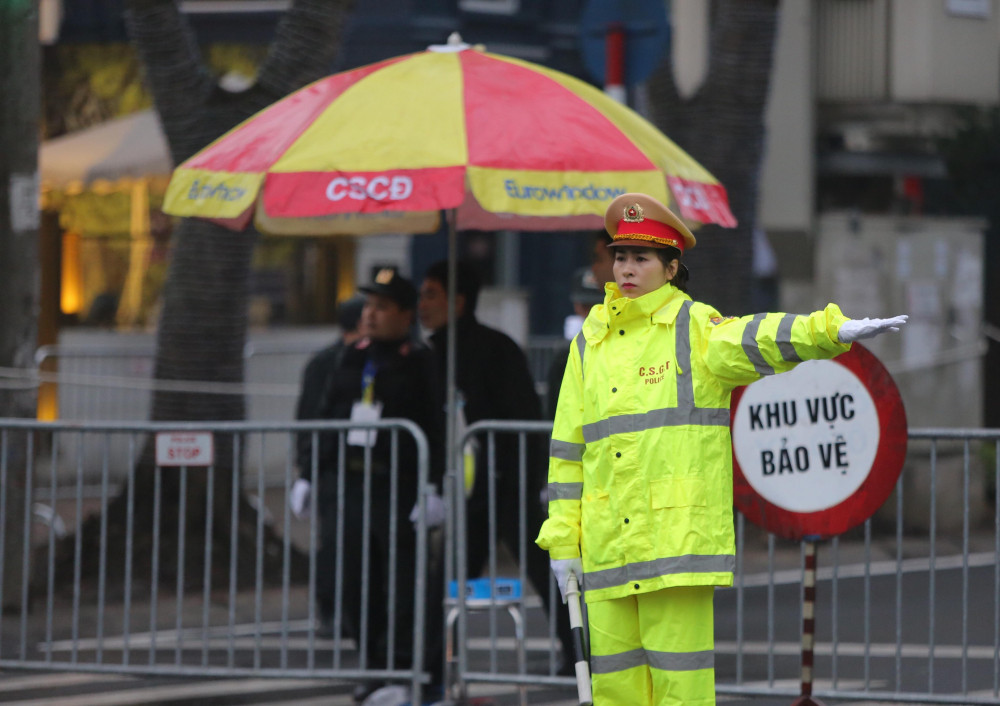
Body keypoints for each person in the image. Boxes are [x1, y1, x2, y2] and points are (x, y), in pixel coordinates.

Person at [535, 193, 908, 705]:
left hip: (673, 547)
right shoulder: (589, 343)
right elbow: (567, 450)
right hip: (605, 550)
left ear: (671, 268)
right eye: (620, 256)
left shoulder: (695, 328)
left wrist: (829, 330)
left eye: (641, 258)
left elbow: (759, 336)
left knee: (680, 694)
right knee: (616, 694)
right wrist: (562, 540)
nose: (626, 268)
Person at [290, 270, 446, 703]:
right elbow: (326, 417)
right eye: (368, 306)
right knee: (353, 582)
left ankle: (403, 669)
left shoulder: (419, 360)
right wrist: (307, 472)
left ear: (404, 314)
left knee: (401, 584)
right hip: (349, 486)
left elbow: (436, 425)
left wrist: (434, 487)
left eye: (381, 307)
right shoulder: (351, 357)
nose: (370, 315)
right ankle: (375, 666)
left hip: (397, 486)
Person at [417, 259, 577, 673]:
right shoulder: (434, 352)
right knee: (451, 574)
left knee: (545, 570)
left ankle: (581, 652)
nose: (422, 304)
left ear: (458, 300)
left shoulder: (490, 348)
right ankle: (431, 662)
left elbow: (520, 416)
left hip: (507, 486)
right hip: (474, 491)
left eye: (430, 294)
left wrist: (528, 477)